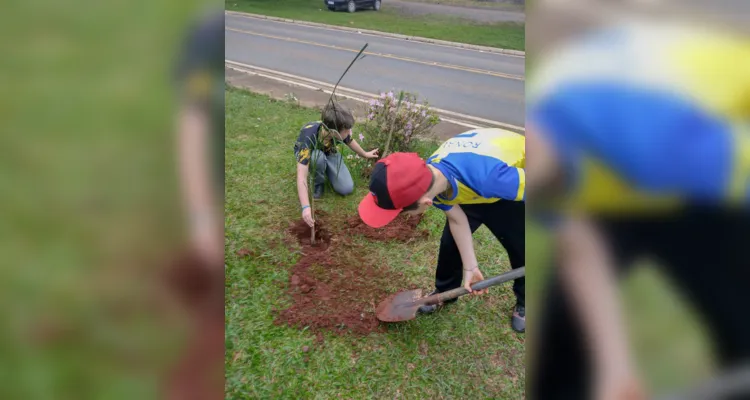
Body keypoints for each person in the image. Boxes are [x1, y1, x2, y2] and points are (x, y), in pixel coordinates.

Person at [526, 19, 750, 400]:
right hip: (618, 185)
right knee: (564, 335)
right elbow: (582, 253)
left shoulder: (654, 139)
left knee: (737, 317)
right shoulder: (544, 169)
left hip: (701, 185)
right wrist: (616, 369)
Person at [357, 128, 527, 333]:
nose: (402, 217)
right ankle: (446, 290)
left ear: (424, 202)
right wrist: (470, 267)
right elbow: (457, 220)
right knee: (450, 243)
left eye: (401, 213)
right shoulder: (430, 177)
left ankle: (526, 301)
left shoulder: (493, 178)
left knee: (523, 246)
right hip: (471, 188)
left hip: (513, 180)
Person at [296, 102, 379, 227]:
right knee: (317, 158)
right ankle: (318, 184)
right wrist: (306, 207)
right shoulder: (308, 136)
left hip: (329, 152)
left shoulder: (339, 131)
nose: (349, 132)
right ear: (333, 131)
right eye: (346, 130)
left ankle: (327, 168)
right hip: (313, 155)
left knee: (346, 188)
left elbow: (350, 141)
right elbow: (301, 176)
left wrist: (365, 154)